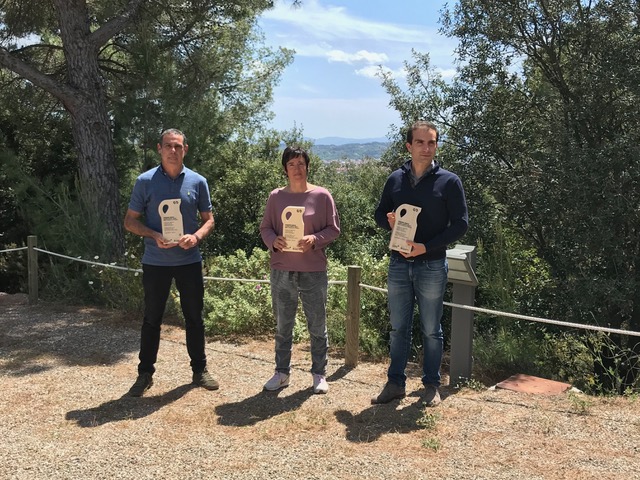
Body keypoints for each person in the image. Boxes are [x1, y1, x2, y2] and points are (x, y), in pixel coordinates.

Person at [372, 120, 468, 406]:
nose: (426, 148)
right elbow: (379, 214)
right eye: (420, 142)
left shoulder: (449, 181)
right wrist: (389, 221)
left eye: (431, 142)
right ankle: (395, 384)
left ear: (436, 145)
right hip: (399, 263)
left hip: (432, 265)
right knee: (398, 328)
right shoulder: (395, 179)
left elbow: (461, 224)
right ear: (409, 146)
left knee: (431, 330)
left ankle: (431, 386)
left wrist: (426, 247)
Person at [124, 128, 218, 397]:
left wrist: (196, 237)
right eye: (168, 146)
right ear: (159, 148)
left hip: (189, 260)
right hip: (155, 262)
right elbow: (129, 221)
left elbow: (209, 220)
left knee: (194, 318)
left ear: (185, 149)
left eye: (178, 146)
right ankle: (145, 374)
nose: (173, 151)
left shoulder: (198, 181)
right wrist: (154, 235)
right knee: (151, 319)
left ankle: (200, 370)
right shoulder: (145, 181)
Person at [260, 146, 340, 394]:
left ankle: (319, 374)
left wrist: (315, 239)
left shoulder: (322, 195)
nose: (297, 168)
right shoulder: (276, 197)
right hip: (282, 270)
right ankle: (282, 373)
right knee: (283, 326)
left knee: (317, 325)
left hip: (313, 271)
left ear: (308, 167)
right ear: (285, 169)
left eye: (301, 163)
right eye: (292, 164)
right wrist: (273, 241)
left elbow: (334, 229)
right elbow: (265, 228)